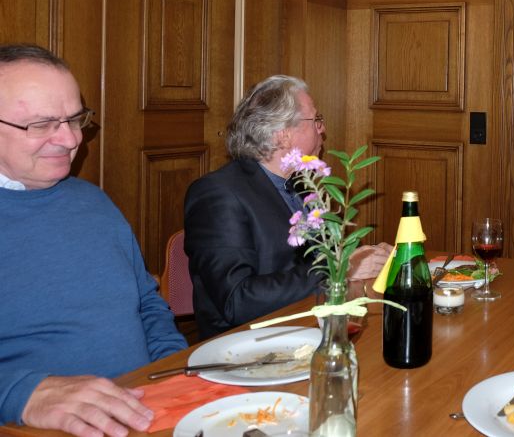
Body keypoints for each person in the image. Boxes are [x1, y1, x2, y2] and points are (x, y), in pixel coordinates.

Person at [0, 43, 186, 436]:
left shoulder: (93, 201)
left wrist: (173, 372)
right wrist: (21, 394)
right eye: (41, 124)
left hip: (147, 412)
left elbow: (148, 305)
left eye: (74, 119)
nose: (71, 140)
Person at [185, 75, 390, 339]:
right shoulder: (218, 195)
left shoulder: (302, 185)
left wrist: (364, 258)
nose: (323, 129)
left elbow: (325, 258)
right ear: (282, 135)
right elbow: (238, 300)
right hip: (249, 344)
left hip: (310, 323)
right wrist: (340, 271)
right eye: (316, 120)